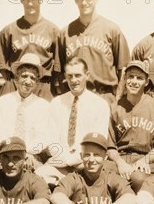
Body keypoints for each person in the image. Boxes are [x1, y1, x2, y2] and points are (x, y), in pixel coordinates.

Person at [35, 57, 110, 185]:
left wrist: (72, 160)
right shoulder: (57, 103)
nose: (74, 80)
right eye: (70, 76)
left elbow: (98, 142)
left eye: (78, 75)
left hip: (86, 163)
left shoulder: (100, 105)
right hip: (60, 162)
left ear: (87, 75)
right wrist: (64, 159)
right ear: (65, 77)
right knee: (38, 177)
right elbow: (51, 138)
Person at [55, 0, 129, 101]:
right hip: (75, 96)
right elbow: (59, 73)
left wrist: (118, 100)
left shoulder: (111, 29)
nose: (84, 2)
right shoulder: (65, 33)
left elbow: (123, 70)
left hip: (104, 96)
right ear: (75, 0)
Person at [107, 60, 154, 192]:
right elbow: (110, 146)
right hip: (120, 158)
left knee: (138, 178)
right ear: (124, 79)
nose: (134, 81)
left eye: (139, 78)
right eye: (130, 77)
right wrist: (120, 163)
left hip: (146, 159)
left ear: (146, 82)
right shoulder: (114, 108)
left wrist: (144, 160)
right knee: (103, 173)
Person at [0, 0, 59, 100]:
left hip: (43, 85)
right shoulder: (9, 30)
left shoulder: (53, 30)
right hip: (16, 84)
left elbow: (58, 67)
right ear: (21, 0)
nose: (30, 3)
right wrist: (15, 79)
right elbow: (1, 64)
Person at [0, 53, 54, 170]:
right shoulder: (3, 102)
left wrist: (26, 154)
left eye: (32, 78)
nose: (28, 81)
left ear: (37, 82)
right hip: (5, 155)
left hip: (31, 156)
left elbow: (44, 137)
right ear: (17, 78)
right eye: (24, 76)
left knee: (39, 175)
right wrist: (10, 153)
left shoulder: (44, 106)